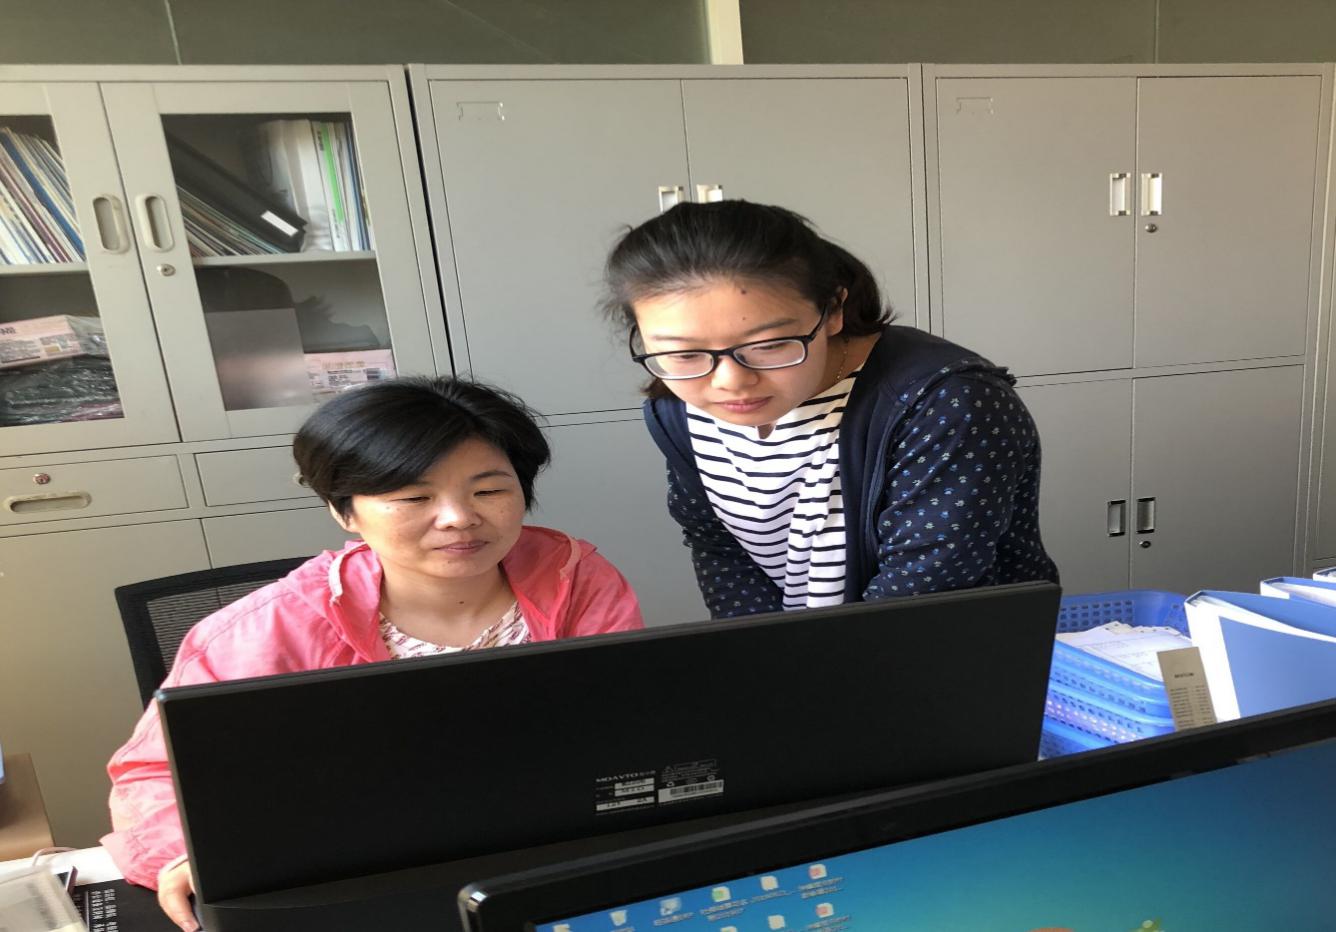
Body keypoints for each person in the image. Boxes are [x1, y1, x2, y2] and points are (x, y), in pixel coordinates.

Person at [102, 376, 644, 931]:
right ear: (345, 511)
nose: (458, 517)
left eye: (489, 491)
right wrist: (181, 853)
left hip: (533, 852)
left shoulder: (575, 578)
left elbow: (622, 719)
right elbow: (153, 772)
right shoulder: (270, 627)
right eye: (414, 497)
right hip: (352, 868)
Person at [604, 200, 1058, 618]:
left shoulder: (945, 403)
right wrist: (762, 654)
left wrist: (816, 670)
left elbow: (920, 595)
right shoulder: (678, 411)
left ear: (833, 310)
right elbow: (721, 549)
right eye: (683, 354)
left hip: (949, 647)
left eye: (770, 345)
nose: (730, 382)